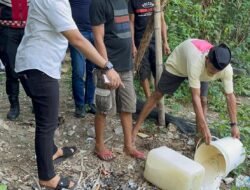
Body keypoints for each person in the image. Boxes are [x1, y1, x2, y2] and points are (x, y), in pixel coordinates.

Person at [15, 0, 123, 189]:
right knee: (46, 124)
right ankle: (47, 176)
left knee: (48, 118)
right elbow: (77, 39)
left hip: (40, 65)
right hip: (38, 67)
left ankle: (53, 151)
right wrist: (106, 66)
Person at [133, 39, 240, 146]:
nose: (213, 74)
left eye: (217, 72)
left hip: (201, 72)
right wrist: (204, 126)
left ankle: (199, 141)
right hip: (179, 65)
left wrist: (234, 125)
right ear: (207, 59)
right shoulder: (196, 62)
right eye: (212, 69)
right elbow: (195, 97)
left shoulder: (226, 69)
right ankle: (136, 128)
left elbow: (230, 96)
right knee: (158, 94)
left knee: (203, 101)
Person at [90, 0, 145, 161]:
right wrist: (107, 67)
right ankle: (99, 145)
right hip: (107, 65)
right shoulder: (98, 4)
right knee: (104, 108)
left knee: (127, 106)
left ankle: (128, 146)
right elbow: (98, 38)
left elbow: (128, 24)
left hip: (126, 65)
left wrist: (133, 44)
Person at [128, 0, 171, 99]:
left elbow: (162, 21)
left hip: (156, 40)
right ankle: (149, 99)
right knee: (143, 71)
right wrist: (132, 44)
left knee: (158, 70)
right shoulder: (133, 2)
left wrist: (165, 42)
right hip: (140, 41)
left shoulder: (156, 1)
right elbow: (131, 22)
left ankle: (157, 99)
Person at [0, 0, 29, 120]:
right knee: (12, 69)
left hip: (29, 30)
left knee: (33, 68)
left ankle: (37, 101)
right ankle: (14, 105)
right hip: (7, 30)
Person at [69, 0, 96, 118]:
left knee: (92, 71)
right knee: (79, 71)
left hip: (95, 31)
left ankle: (89, 103)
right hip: (77, 33)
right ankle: (79, 105)